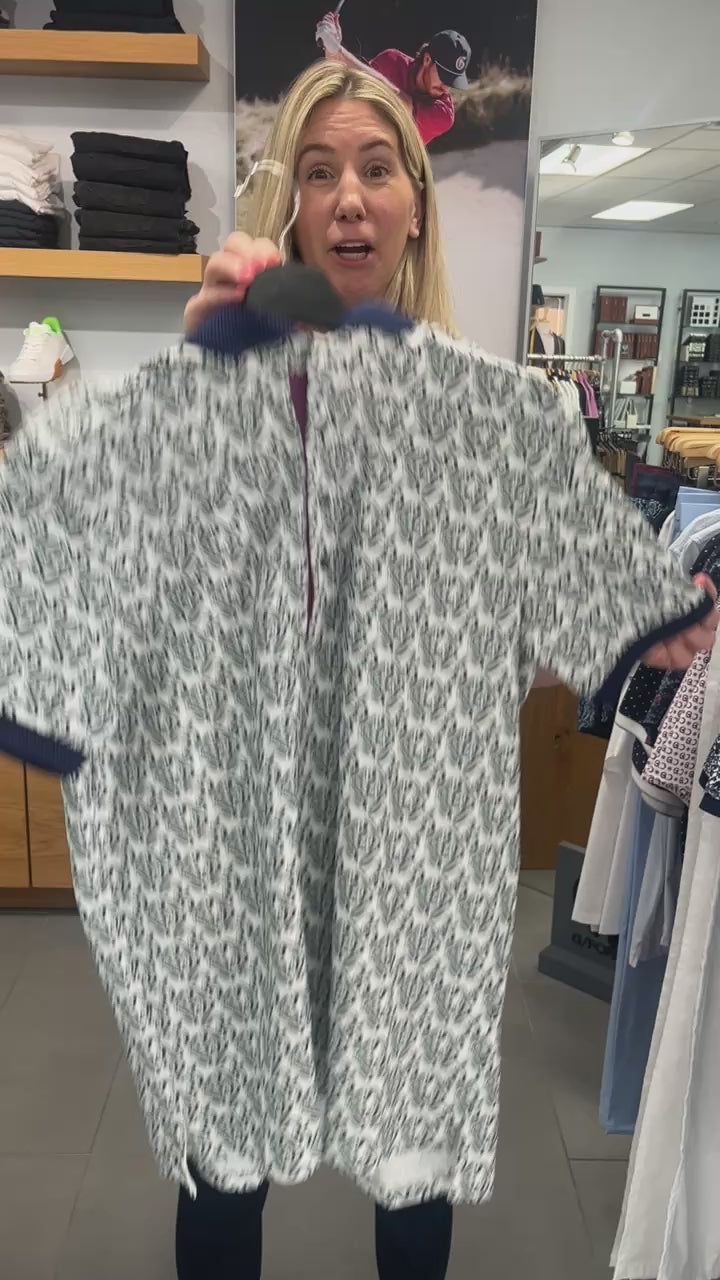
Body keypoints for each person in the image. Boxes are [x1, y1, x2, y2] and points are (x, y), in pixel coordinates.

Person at [179, 60, 716, 1280]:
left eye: (376, 168)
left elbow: (556, 637)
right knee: (223, 1152)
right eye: (320, 170)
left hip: (423, 847)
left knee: (411, 1158)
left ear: (416, 203)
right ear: (289, 206)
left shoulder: (505, 418)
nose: (348, 197)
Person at [314, 13, 471, 146]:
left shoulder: (444, 114)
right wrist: (331, 47)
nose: (445, 87)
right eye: (443, 76)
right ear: (427, 59)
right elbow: (352, 83)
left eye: (452, 81)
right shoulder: (392, 61)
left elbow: (397, 101)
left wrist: (339, 50)